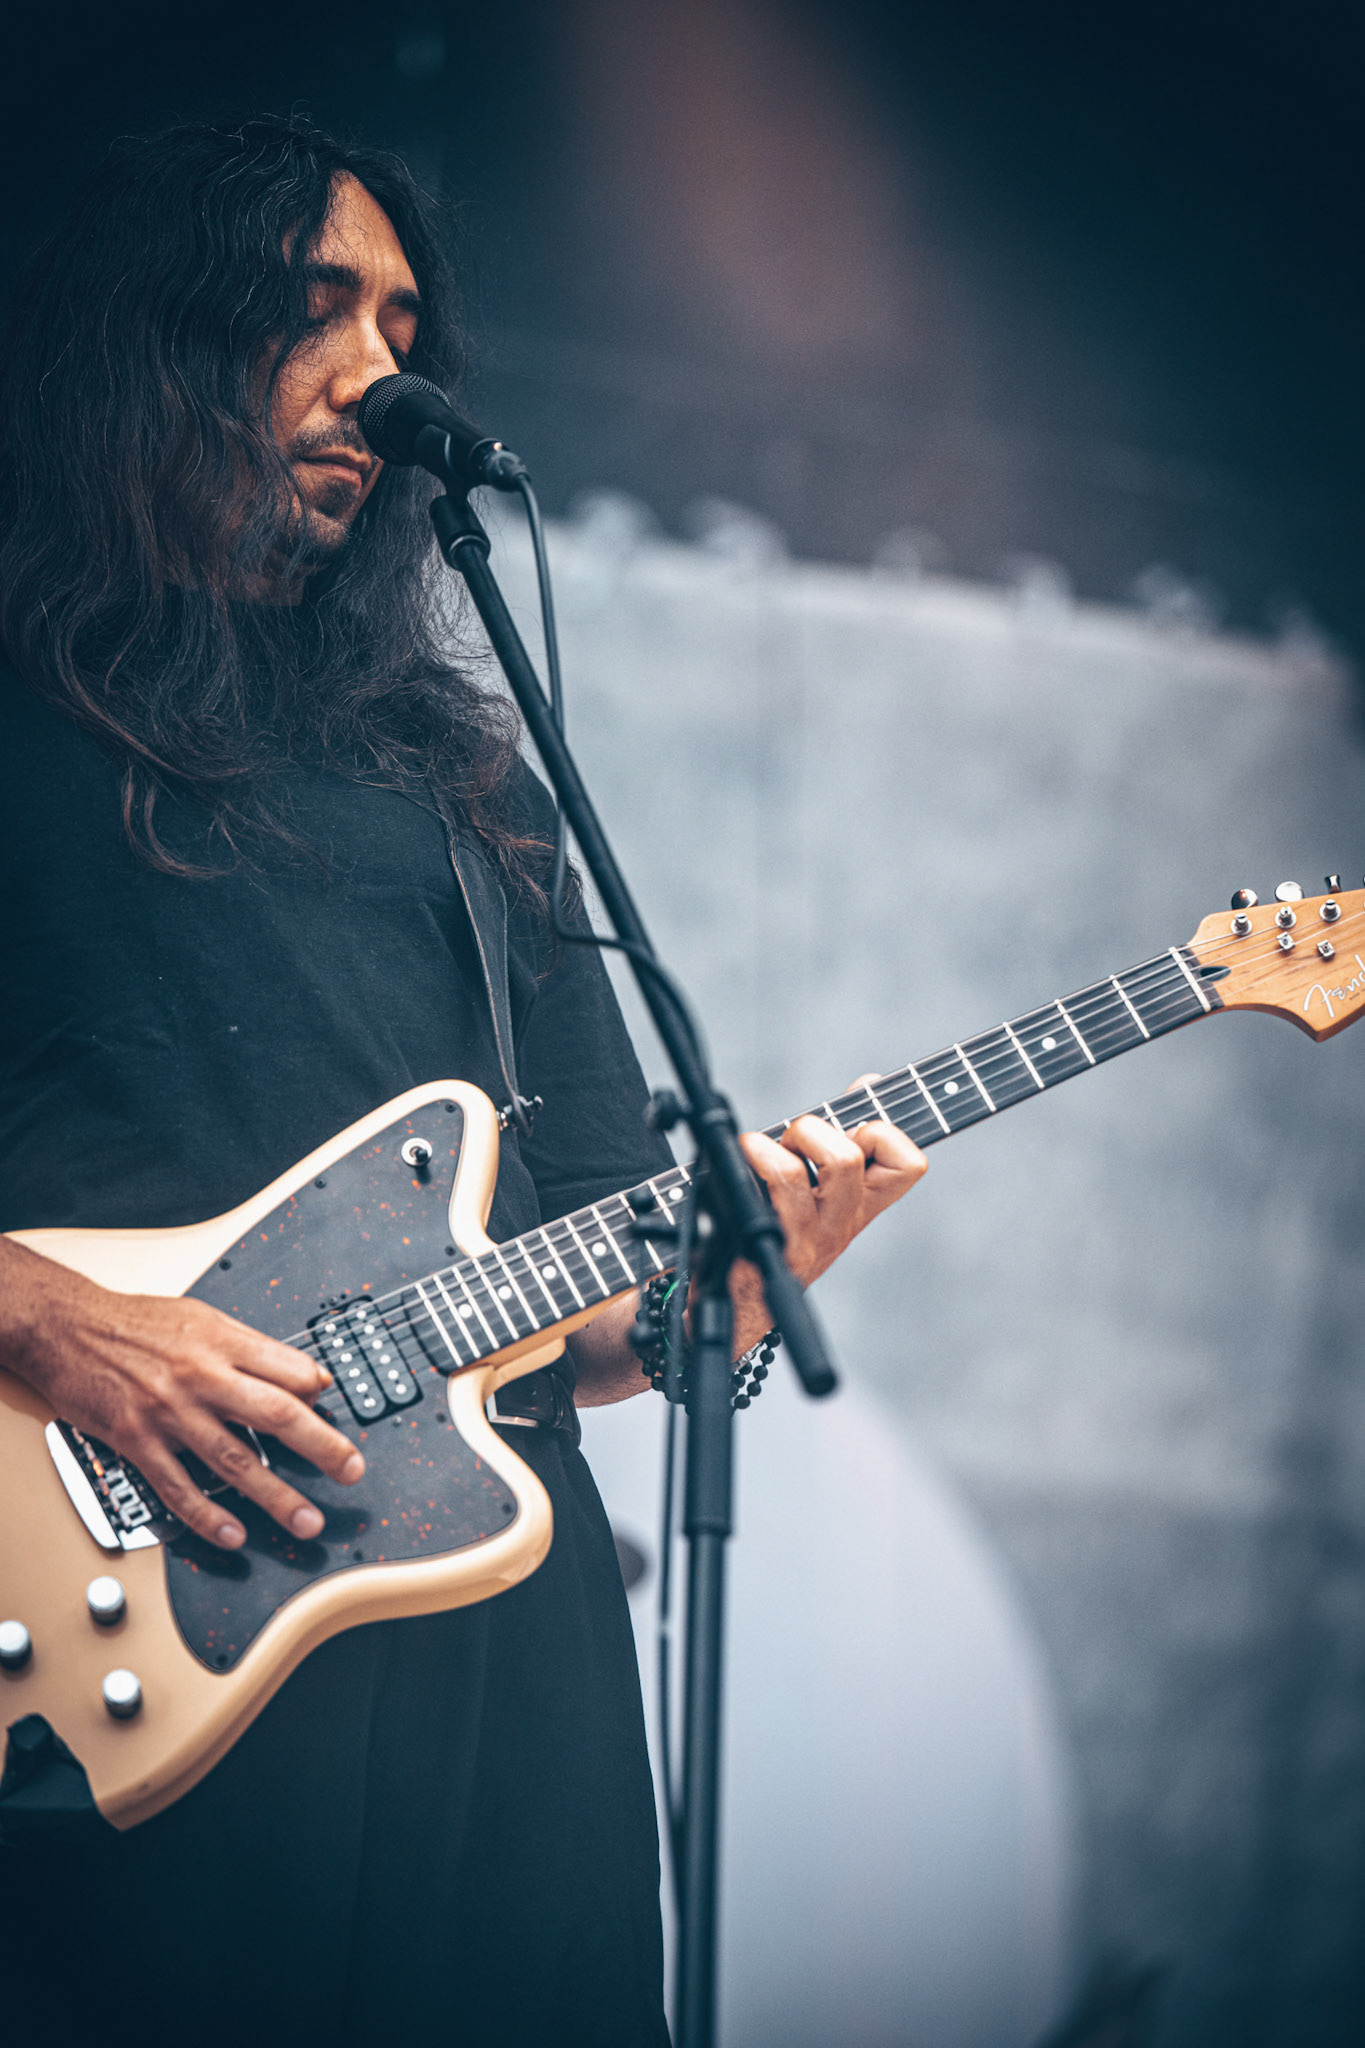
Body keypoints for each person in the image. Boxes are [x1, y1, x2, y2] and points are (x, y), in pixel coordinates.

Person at [0, 116, 925, 2046]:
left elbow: (585, 1307)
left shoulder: (464, 773)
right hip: (110, 1636)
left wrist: (719, 1292)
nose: (376, 376)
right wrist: (59, 1319)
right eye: (313, 310)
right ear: (148, 339)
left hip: (493, 1653)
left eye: (404, 321)